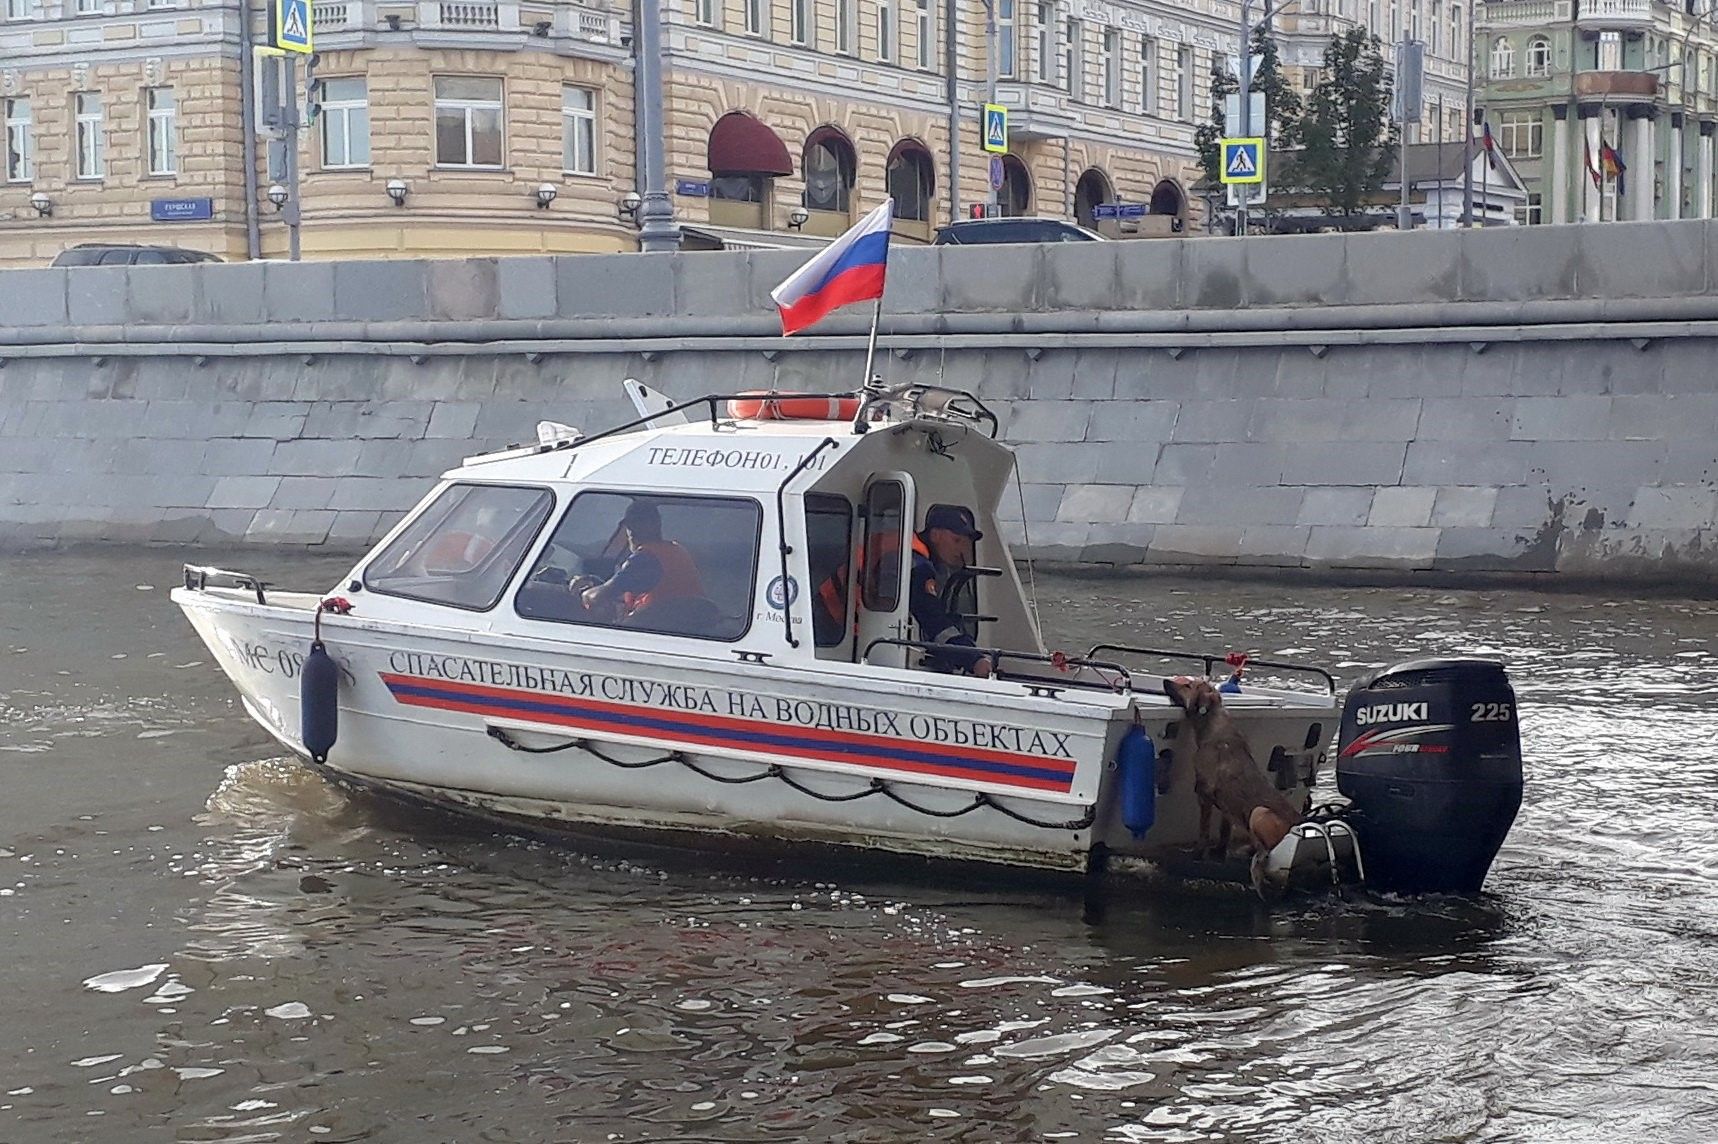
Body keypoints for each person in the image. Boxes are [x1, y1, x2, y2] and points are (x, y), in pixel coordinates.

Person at [572, 501, 705, 625]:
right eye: (629, 524)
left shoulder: (646, 558)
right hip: (680, 626)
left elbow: (597, 597)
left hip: (656, 631)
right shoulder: (675, 550)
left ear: (655, 524)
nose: (632, 530)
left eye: (639, 522)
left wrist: (582, 592)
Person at [910, 505, 991, 678]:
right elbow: (934, 620)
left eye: (966, 543)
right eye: (956, 541)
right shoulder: (917, 567)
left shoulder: (912, 553)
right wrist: (974, 659)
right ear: (935, 535)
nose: (961, 550)